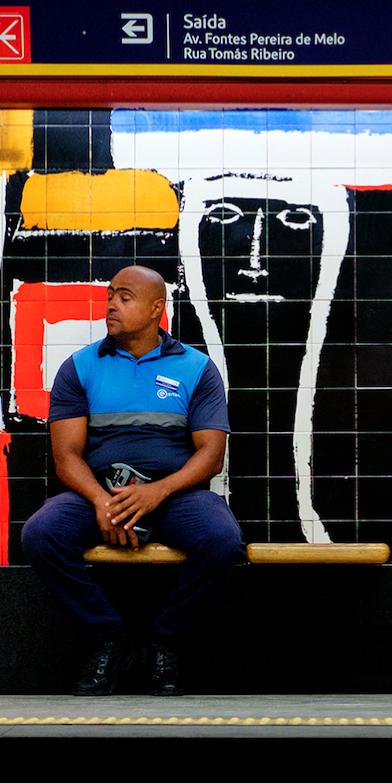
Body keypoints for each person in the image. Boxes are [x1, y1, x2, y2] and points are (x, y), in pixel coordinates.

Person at [20, 265, 245, 696]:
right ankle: (108, 641)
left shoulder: (197, 368)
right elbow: (66, 457)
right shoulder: (79, 367)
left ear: (157, 309)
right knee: (42, 534)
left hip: (175, 495)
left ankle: (166, 642)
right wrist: (101, 501)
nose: (111, 305)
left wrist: (157, 491)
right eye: (110, 296)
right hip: (100, 494)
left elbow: (211, 455)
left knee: (221, 539)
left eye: (124, 298)